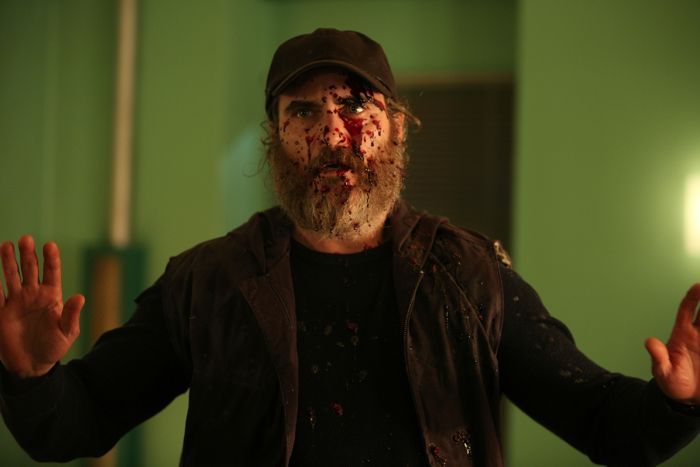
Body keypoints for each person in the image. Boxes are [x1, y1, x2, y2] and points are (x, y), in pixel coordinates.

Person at [0, 28, 698, 466]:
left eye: (356, 106)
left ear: (396, 129)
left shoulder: (467, 275)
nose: (334, 134)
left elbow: (603, 423)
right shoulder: (206, 282)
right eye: (304, 111)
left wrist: (677, 400)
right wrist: (31, 377)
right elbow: (79, 422)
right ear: (274, 140)